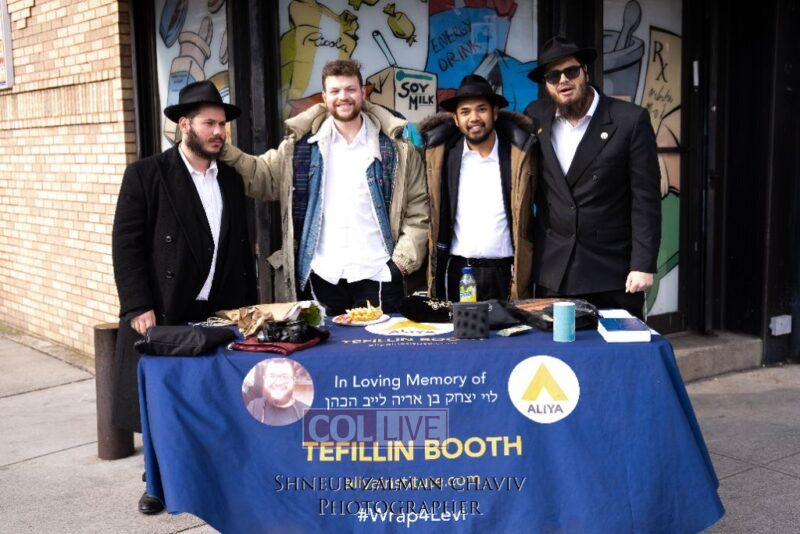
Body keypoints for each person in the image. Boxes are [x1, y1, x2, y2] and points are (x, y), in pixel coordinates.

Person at [112, 80, 257, 514]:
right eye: (209, 123)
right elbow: (127, 245)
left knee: (208, 396)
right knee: (162, 401)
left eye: (222, 125)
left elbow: (238, 248)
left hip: (219, 308)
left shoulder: (229, 178)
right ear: (184, 124)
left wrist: (248, 308)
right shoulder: (147, 174)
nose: (219, 132)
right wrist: (137, 305)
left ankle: (209, 475)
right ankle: (156, 484)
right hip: (165, 306)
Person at [220, 59, 429, 316]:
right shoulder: (300, 148)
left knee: (379, 343)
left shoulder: (397, 150)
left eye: (350, 89)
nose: (343, 97)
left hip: (380, 276)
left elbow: (419, 212)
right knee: (326, 343)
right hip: (322, 277)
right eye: (335, 91)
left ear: (363, 93)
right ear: (324, 96)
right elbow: (259, 176)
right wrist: (221, 147)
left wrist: (399, 266)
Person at [524, 36, 661, 318]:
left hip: (612, 271)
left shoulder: (629, 119)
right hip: (554, 271)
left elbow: (645, 199)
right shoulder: (535, 117)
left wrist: (643, 264)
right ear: (547, 84)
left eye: (571, 71)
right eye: (553, 76)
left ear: (585, 72)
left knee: (616, 346)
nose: (563, 80)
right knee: (558, 347)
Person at [420, 75, 537, 302]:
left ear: (495, 113)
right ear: (456, 119)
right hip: (459, 272)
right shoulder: (443, 158)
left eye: (481, 109)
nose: (474, 118)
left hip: (506, 273)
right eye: (465, 112)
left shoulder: (517, 157)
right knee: (459, 326)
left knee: (508, 326)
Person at [246, 358, 310, 426]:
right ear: (265, 379)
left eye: (285, 377)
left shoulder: (307, 411)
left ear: (293, 381)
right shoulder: (254, 407)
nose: (278, 382)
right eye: (272, 376)